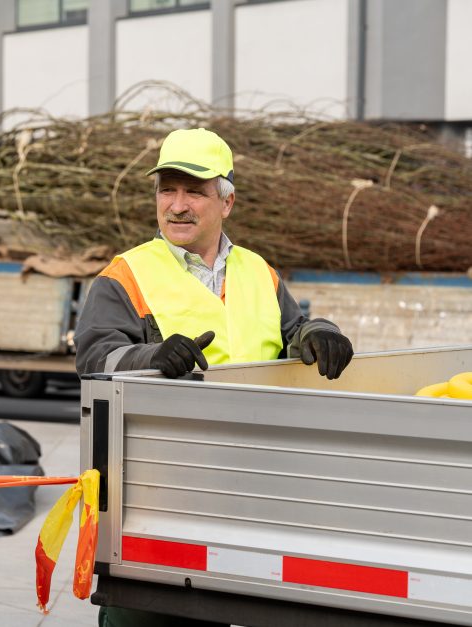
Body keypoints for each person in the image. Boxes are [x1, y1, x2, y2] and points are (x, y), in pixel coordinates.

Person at [74, 128, 353, 627]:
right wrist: (152, 357)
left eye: (194, 191)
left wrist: (320, 331)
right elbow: (95, 359)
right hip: (158, 501)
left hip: (254, 497)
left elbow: (295, 330)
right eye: (167, 189)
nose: (177, 206)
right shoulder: (124, 275)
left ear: (226, 202)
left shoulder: (258, 271)